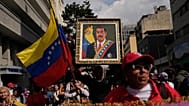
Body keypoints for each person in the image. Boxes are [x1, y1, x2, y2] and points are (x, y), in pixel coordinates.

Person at [104, 52, 181, 105]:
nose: (143, 70)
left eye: (146, 67)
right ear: (126, 73)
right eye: (137, 67)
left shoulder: (165, 90)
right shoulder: (114, 97)